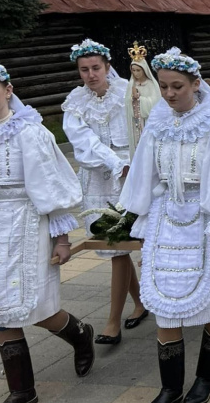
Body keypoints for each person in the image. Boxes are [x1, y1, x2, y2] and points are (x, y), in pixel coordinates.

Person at [119, 48, 210, 403]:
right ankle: (169, 387)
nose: (168, 94)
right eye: (164, 86)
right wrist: (137, 214)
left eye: (177, 86)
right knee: (165, 306)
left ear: (196, 84)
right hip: (167, 218)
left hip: (209, 221)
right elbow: (146, 171)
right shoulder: (158, 121)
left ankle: (205, 379)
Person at [0, 63, 96, 403]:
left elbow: (52, 189)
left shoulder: (30, 133)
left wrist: (63, 238)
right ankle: (22, 393)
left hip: (27, 223)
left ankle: (80, 334)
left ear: (8, 90)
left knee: (35, 306)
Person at [62, 39, 147, 346]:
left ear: (108, 66)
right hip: (99, 177)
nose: (90, 74)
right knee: (115, 246)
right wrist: (114, 162)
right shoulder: (75, 101)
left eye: (96, 68)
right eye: (84, 70)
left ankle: (112, 322)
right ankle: (139, 303)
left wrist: (133, 165)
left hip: (130, 175)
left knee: (120, 246)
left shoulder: (129, 91)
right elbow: (82, 143)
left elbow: (143, 128)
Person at [125, 44, 161, 158]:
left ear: (144, 70)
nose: (136, 73)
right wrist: (132, 99)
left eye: (138, 70)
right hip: (136, 124)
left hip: (148, 122)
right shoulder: (131, 84)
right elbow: (126, 103)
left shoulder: (151, 84)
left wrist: (139, 98)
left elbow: (155, 102)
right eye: (133, 70)